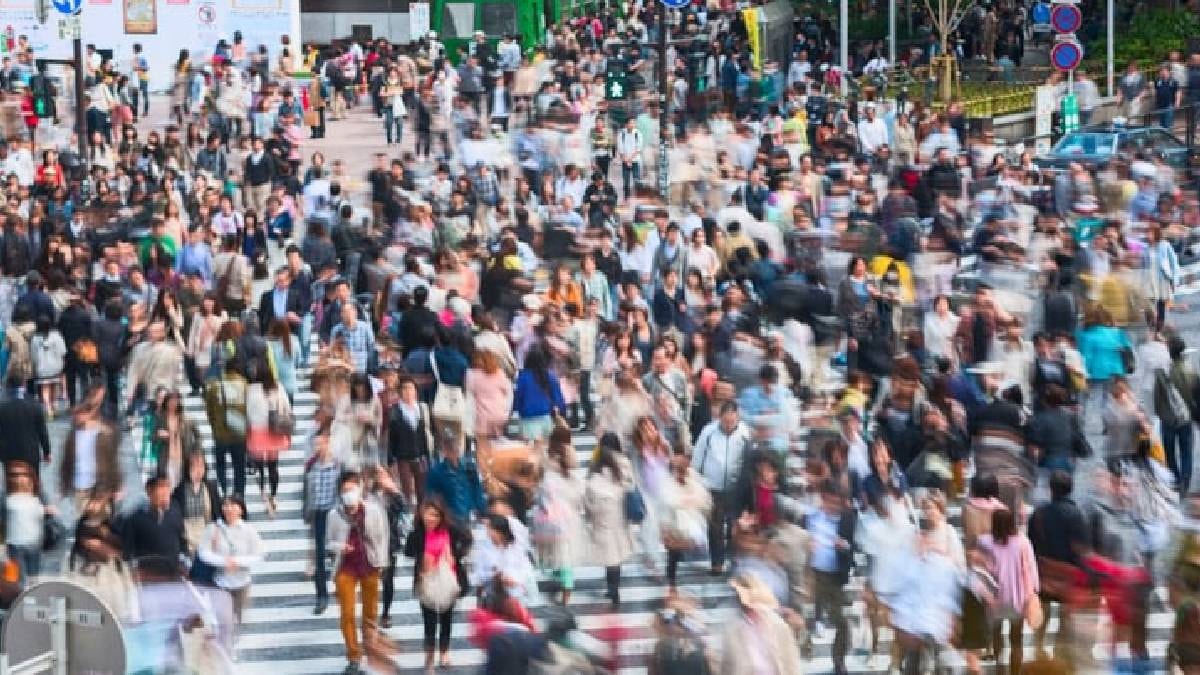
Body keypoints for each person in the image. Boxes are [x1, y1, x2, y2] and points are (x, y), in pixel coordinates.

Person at [326, 471, 389, 675]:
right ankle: (353, 655)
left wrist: (382, 561)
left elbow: (382, 537)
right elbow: (328, 542)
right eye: (345, 490)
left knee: (371, 612)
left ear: (360, 489)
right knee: (347, 613)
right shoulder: (334, 515)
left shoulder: (373, 511)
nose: (349, 493)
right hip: (345, 567)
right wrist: (339, 546)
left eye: (352, 489)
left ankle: (371, 648)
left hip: (369, 564)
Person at [404, 498, 472, 672]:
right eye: (427, 514)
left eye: (434, 515)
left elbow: (467, 539)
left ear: (441, 516)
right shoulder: (417, 534)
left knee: (446, 619)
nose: (430, 519)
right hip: (426, 581)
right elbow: (408, 551)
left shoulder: (450, 531)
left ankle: (444, 652)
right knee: (429, 622)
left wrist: (454, 556)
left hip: (448, 580)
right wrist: (423, 560)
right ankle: (429, 660)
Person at [976, 507, 1040, 675]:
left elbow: (980, 571)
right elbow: (1031, 569)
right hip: (1017, 598)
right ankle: (1015, 672)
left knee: (996, 633)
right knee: (1016, 640)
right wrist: (1033, 592)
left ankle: (998, 665)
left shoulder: (984, 542)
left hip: (994, 598)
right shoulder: (1022, 543)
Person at [691, 400, 750, 574]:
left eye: (732, 422)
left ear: (737, 418)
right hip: (713, 487)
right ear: (720, 418)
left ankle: (733, 559)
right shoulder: (708, 432)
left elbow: (748, 461)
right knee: (715, 526)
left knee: (734, 526)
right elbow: (697, 458)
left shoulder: (744, 434)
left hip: (735, 489)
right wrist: (696, 482)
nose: (729, 425)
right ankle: (717, 561)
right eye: (725, 422)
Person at [196, 495, 262, 630]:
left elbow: (259, 553)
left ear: (241, 510)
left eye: (233, 505)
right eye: (226, 505)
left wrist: (237, 561)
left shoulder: (248, 530)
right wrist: (223, 562)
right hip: (220, 583)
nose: (229, 509)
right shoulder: (213, 528)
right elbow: (203, 552)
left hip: (242, 583)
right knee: (223, 622)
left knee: (239, 620)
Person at [584, 443, 635, 606]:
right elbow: (629, 489)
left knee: (609, 559)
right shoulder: (618, 478)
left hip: (602, 525)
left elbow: (589, 504)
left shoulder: (594, 480)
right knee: (616, 560)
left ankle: (611, 588)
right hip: (619, 524)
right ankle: (614, 588)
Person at [246, 368, 291, 517]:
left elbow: (247, 412)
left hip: (257, 431)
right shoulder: (277, 387)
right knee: (273, 466)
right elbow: (286, 406)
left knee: (259, 468)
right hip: (274, 431)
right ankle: (273, 495)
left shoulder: (251, 390)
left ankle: (263, 494)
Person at [204, 359, 249, 497]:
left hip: (220, 432)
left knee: (220, 464)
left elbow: (209, 409)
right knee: (239, 466)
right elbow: (249, 409)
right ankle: (239, 493)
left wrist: (214, 425)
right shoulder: (244, 385)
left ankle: (223, 490)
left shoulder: (215, 386)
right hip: (239, 432)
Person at [119, 476, 187, 563]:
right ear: (149, 491)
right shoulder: (135, 517)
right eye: (161, 488)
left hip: (172, 569)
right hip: (147, 570)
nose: (166, 493)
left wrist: (184, 558)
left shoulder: (175, 511)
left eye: (168, 488)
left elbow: (182, 540)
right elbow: (128, 552)